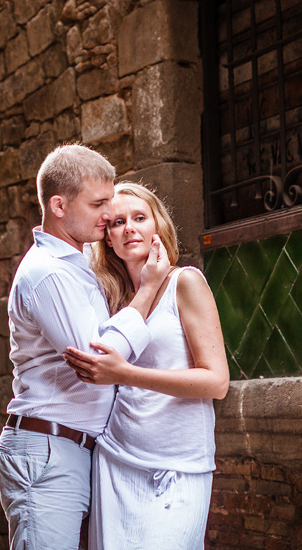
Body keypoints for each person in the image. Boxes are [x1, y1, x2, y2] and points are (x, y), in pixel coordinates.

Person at [0, 146, 171, 550]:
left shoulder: (78, 261)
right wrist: (147, 290)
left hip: (75, 450)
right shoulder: (48, 274)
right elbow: (97, 362)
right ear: (59, 206)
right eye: (98, 204)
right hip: (49, 450)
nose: (109, 214)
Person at [63, 182, 230, 550]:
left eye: (139, 218)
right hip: (116, 460)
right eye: (117, 222)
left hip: (179, 465)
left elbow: (217, 381)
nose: (129, 228)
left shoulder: (185, 282)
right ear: (108, 238)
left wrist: (125, 374)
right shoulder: (109, 297)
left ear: (158, 226)